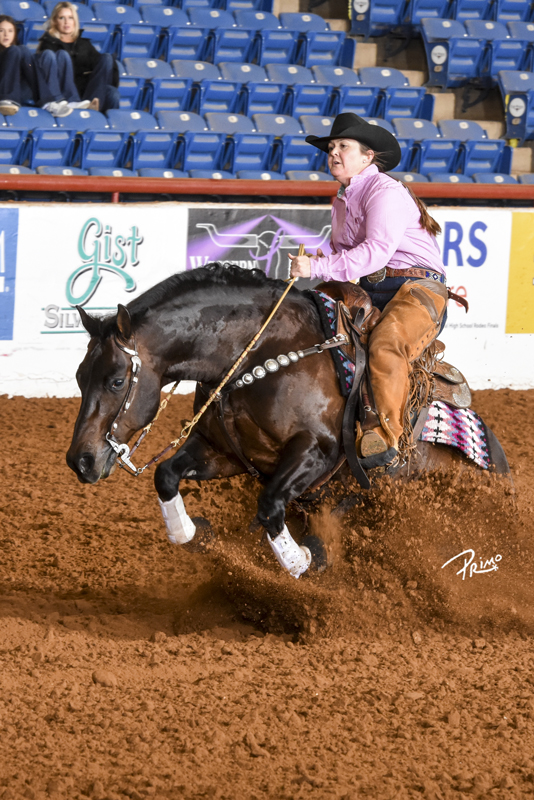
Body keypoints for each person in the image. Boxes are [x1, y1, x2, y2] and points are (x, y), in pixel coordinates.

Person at [288, 113, 448, 469]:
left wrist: (316, 267)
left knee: (387, 343)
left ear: (368, 156)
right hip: (373, 291)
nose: (333, 153)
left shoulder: (385, 192)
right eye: (330, 147)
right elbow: (343, 253)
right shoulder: (344, 197)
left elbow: (375, 252)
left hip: (417, 289)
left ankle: (384, 438)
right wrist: (319, 266)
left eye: (343, 146)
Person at [37, 1, 119, 114]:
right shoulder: (48, 43)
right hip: (63, 93)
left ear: (75, 21)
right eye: (62, 18)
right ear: (55, 21)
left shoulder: (83, 43)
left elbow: (102, 70)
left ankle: (96, 111)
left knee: (107, 62)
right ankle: (87, 109)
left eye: (70, 18)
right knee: (62, 55)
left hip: (86, 91)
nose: (67, 22)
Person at [0, 15, 72, 116]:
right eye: (1, 31)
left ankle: (48, 103)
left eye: (10, 31)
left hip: (21, 92)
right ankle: (7, 99)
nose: (6, 34)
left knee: (38, 53)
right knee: (15, 50)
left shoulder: (20, 51)